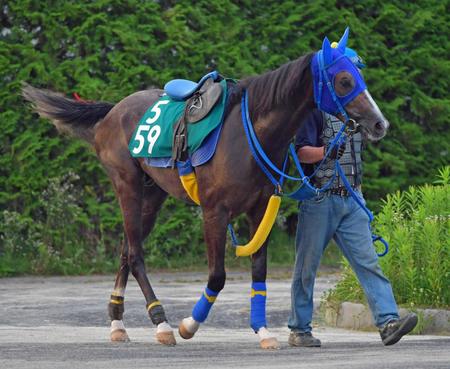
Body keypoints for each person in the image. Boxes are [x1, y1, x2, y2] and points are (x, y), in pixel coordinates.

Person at [288, 47, 417, 347]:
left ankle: (388, 322)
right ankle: (299, 329)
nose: (357, 79)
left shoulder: (355, 110)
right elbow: (301, 151)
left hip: (352, 199)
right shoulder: (313, 111)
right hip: (320, 198)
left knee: (368, 262)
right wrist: (326, 152)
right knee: (306, 267)